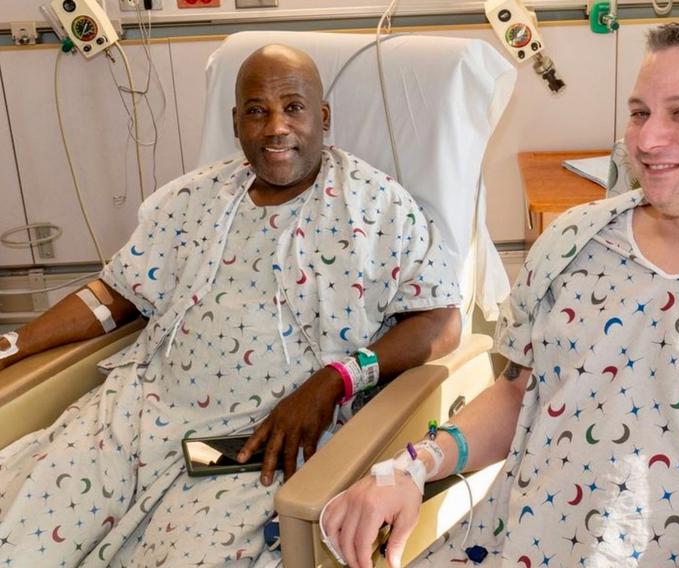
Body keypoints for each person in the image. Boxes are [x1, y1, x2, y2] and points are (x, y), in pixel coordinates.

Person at [322, 21, 679, 568]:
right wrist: (408, 468)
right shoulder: (574, 243)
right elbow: (518, 395)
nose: (648, 139)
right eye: (639, 111)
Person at [0, 44, 462, 567]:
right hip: (131, 419)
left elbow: (441, 320)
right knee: (19, 537)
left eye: (293, 107)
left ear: (324, 117)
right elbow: (115, 295)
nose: (275, 128)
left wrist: (337, 379)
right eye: (257, 111)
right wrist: (13, 344)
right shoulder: (194, 198)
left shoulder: (378, 208)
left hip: (252, 448)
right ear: (236, 121)